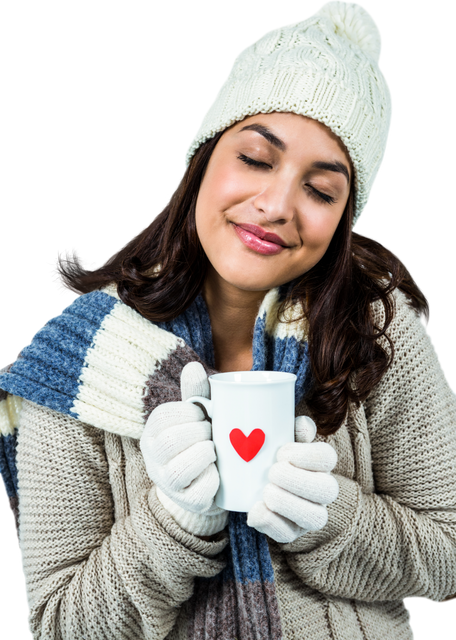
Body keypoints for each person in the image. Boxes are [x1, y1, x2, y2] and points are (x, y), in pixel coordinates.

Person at [1, 0, 455, 638]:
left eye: (321, 190)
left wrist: (331, 522)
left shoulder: (380, 333)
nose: (275, 205)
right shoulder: (71, 363)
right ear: (202, 161)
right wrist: (175, 523)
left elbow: (446, 558)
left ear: (344, 220)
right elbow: (59, 624)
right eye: (255, 158)